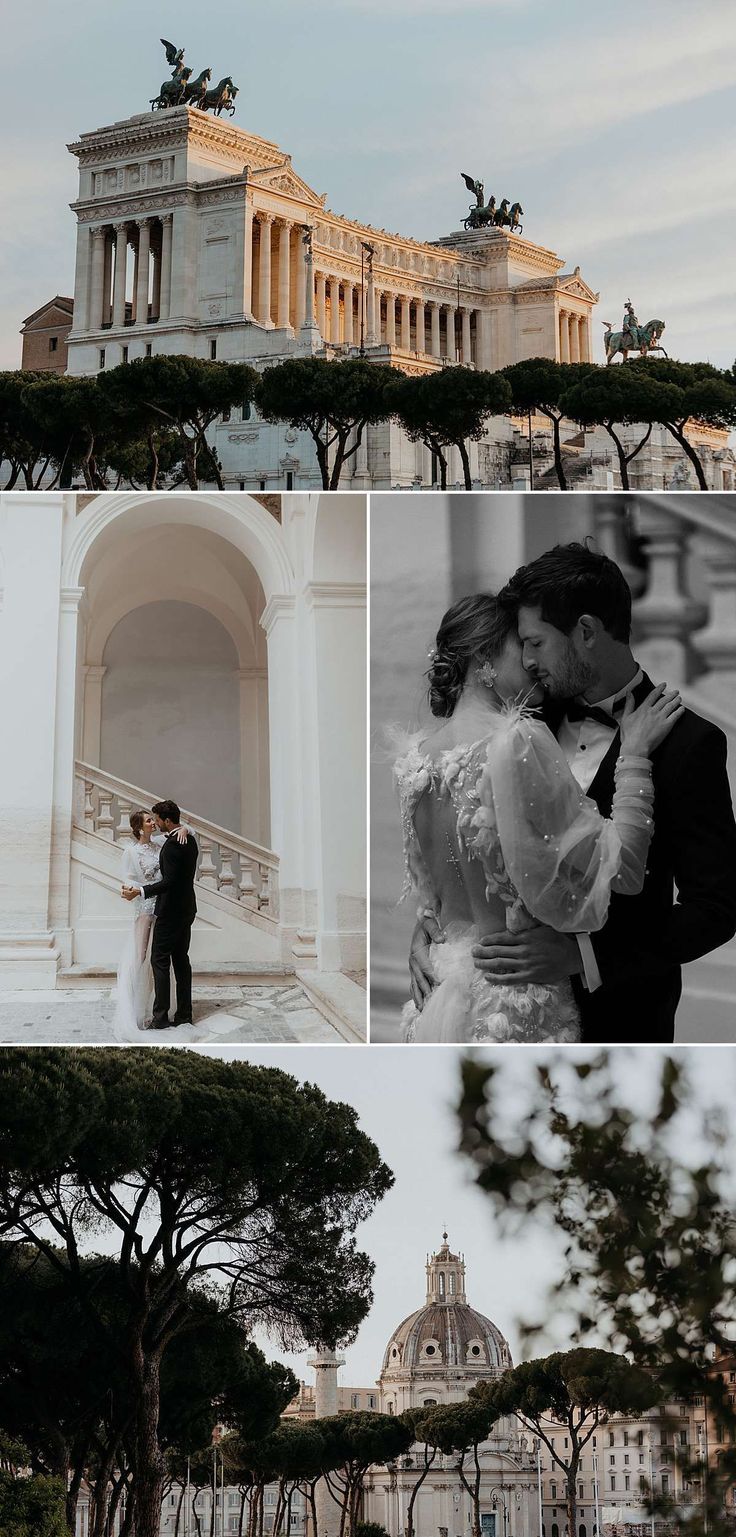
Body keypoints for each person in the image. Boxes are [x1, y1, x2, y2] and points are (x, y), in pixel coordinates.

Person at [409, 544, 736, 1042]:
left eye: (535, 642)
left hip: (620, 1022)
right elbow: (468, 852)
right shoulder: (519, 725)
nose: (527, 659)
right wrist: (434, 930)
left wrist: (583, 956)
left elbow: (716, 910)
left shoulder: (690, 744)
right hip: (492, 1010)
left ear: (584, 632)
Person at [122, 798, 199, 1029]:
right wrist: (184, 827)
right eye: (150, 820)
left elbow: (170, 881)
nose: (155, 823)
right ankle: (184, 1014)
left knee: (159, 961)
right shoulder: (189, 839)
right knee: (181, 960)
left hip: (170, 911)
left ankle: (160, 1017)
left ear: (166, 820)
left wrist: (141, 891)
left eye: (156, 819)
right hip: (187, 909)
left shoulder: (174, 844)